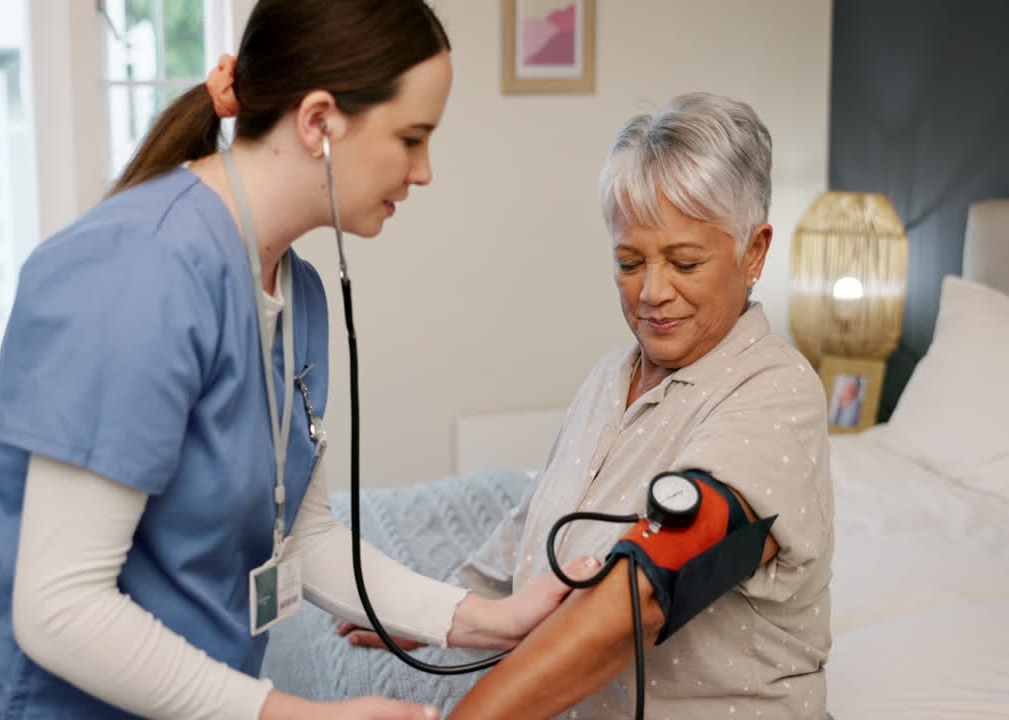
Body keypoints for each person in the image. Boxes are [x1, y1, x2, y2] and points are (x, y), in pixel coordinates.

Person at [0, 2, 594, 719]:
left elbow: (302, 532)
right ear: (319, 122)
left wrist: (490, 619)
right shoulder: (136, 273)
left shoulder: (294, 292)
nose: (423, 171)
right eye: (412, 138)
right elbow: (59, 609)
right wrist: (298, 715)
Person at [345, 93, 834, 719]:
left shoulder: (775, 391)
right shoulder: (612, 375)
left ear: (755, 252)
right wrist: (442, 612)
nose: (652, 294)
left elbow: (650, 588)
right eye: (629, 262)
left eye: (685, 262)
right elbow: (533, 525)